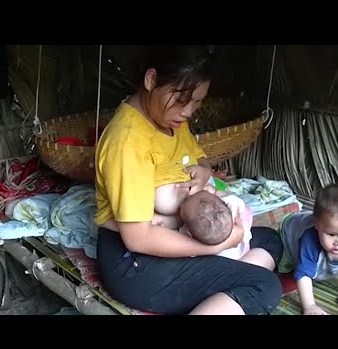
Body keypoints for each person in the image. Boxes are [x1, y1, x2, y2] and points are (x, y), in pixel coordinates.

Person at [94, 45, 283, 315]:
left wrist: (205, 170)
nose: (189, 111)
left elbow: (199, 158)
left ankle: (217, 297)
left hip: (182, 230)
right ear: (150, 80)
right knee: (264, 286)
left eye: (197, 101)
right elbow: (138, 239)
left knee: (269, 240)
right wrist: (218, 244)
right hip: (137, 265)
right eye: (183, 99)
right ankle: (224, 291)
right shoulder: (127, 142)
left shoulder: (172, 122)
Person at [278, 183, 338, 315]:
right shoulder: (309, 240)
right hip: (289, 229)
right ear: (316, 225)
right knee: (286, 263)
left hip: (320, 222)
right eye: (332, 234)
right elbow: (304, 275)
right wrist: (310, 306)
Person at [177, 188, 253, 261]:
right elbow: (235, 200)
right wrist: (216, 191)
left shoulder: (186, 232)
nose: (190, 195)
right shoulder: (232, 205)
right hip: (241, 251)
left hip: (228, 261)